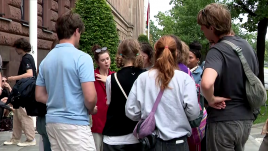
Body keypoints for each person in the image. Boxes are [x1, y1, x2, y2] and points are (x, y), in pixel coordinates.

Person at [198, 3, 259, 151]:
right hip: (246, 120)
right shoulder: (247, 46)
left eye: (203, 26)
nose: (201, 30)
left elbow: (206, 83)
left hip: (223, 122)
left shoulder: (217, 51)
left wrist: (211, 100)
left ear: (212, 28)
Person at [35, 11, 97, 151]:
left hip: (52, 122)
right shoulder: (82, 58)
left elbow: (39, 95)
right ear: (76, 31)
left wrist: (60, 100)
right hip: (75, 124)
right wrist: (91, 108)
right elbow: (90, 97)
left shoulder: (46, 60)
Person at [125, 35, 200, 151]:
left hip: (151, 142)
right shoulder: (185, 79)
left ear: (156, 52)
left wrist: (147, 113)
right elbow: (193, 113)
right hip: (178, 143)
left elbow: (131, 111)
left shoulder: (143, 78)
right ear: (177, 54)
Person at [102, 39, 144, 151]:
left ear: (120, 54)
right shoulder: (145, 77)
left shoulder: (111, 79)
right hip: (137, 136)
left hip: (113, 137)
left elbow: (109, 103)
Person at [4, 38, 36, 147]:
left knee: (23, 114)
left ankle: (30, 139)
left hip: (24, 90)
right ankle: (15, 138)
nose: (16, 50)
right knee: (17, 113)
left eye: (17, 47)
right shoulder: (28, 57)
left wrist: (13, 78)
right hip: (25, 89)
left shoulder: (26, 58)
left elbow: (29, 74)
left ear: (20, 47)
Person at [36, 39, 59, 151]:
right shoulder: (57, 66)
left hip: (43, 115)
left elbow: (39, 95)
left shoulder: (44, 64)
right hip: (52, 116)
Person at [91, 44, 115, 151]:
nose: (106, 62)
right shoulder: (92, 76)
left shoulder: (114, 76)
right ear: (97, 62)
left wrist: (109, 81)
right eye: (103, 60)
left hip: (111, 122)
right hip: (97, 121)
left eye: (107, 59)